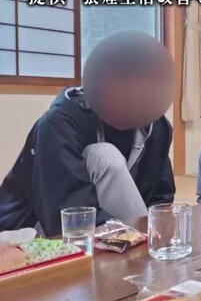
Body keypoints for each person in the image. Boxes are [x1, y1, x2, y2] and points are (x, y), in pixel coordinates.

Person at [0, 32, 176, 236]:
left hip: (110, 228)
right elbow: (65, 214)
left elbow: (161, 198)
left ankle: (147, 244)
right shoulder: (59, 123)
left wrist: (157, 231)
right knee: (104, 155)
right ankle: (144, 244)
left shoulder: (157, 128)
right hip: (35, 229)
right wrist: (125, 235)